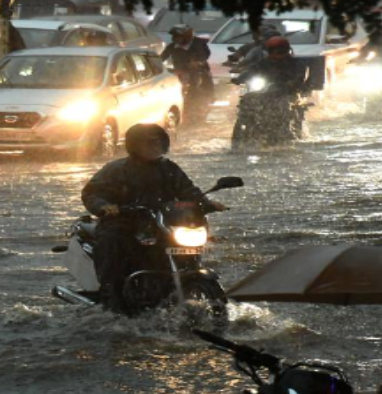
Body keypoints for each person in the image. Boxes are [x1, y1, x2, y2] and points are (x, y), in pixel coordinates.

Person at [80, 124, 227, 314]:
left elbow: (188, 191)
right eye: (149, 143)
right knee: (112, 243)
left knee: (184, 248)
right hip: (123, 222)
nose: (154, 147)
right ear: (135, 145)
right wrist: (104, 206)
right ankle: (112, 298)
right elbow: (92, 193)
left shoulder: (169, 168)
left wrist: (207, 203)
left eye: (158, 142)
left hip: (160, 223)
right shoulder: (116, 169)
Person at [232, 37, 310, 148]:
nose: (278, 53)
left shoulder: (297, 63)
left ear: (287, 50)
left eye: (281, 50)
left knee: (285, 105)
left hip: (288, 93)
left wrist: (290, 83)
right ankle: (244, 126)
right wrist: (239, 78)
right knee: (247, 98)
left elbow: (300, 77)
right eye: (275, 50)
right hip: (265, 92)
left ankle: (287, 131)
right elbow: (251, 70)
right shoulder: (263, 63)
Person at [160, 25, 213, 126]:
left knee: (202, 88)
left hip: (198, 72)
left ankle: (201, 108)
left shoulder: (199, 44)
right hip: (180, 72)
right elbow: (162, 58)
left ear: (187, 37)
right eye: (174, 37)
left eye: (178, 37)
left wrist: (197, 62)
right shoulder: (172, 47)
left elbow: (204, 56)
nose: (175, 39)